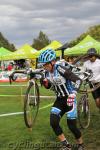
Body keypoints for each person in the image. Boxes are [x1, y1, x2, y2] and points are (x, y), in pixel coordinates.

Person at [38, 49, 84, 150]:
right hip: (59, 99)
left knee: (71, 126)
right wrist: (46, 84)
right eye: (43, 64)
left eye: (46, 64)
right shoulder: (46, 73)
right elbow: (50, 86)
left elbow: (78, 80)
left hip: (69, 99)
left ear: (53, 62)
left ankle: (80, 144)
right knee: (53, 122)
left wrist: (74, 93)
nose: (44, 66)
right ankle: (66, 145)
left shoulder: (60, 69)